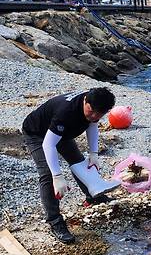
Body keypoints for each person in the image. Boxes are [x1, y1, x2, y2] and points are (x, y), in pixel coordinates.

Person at [22, 88, 116, 243]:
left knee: (79, 162)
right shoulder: (65, 112)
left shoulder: (96, 103)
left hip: (62, 133)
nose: (93, 116)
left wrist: (93, 153)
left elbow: (92, 125)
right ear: (85, 101)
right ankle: (55, 222)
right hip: (37, 133)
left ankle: (93, 197)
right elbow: (48, 145)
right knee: (46, 174)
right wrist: (57, 176)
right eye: (91, 111)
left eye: (98, 114)